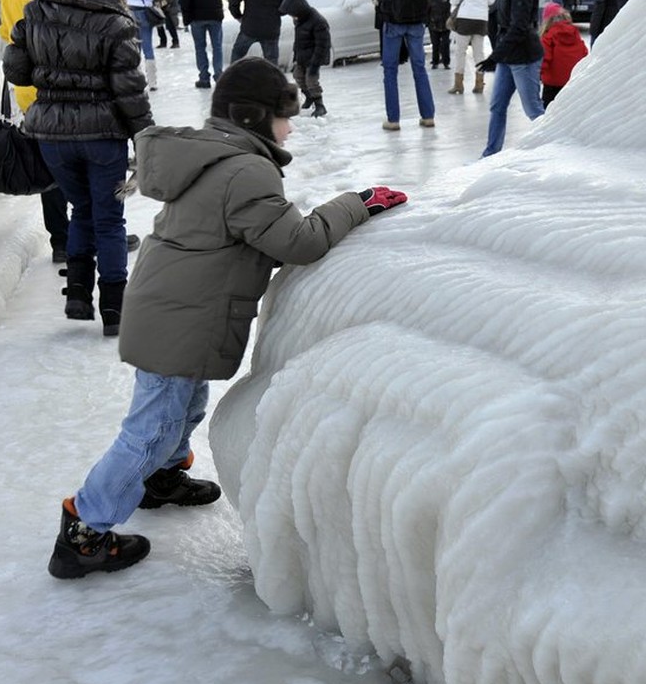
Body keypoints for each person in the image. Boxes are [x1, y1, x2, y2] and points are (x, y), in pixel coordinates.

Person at [46, 59, 407, 579]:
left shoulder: (217, 156)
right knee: (152, 428)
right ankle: (84, 529)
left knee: (183, 406)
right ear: (254, 117)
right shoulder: (247, 170)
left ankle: (163, 478)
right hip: (180, 318)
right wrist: (358, 203)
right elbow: (297, 241)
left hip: (170, 308)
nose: (289, 128)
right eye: (283, 117)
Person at [4, 0, 153, 339]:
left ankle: (78, 295)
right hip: (103, 135)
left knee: (80, 210)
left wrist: (51, 70)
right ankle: (115, 308)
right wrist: (144, 134)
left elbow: (16, 69)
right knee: (109, 218)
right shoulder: (116, 20)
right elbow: (129, 90)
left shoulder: (36, 10)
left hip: (52, 134)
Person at [0, 0, 84, 263]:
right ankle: (90, 234)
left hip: (29, 89)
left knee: (50, 167)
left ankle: (61, 242)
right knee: (85, 163)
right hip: (70, 84)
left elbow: (5, 30)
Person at [476, 0, 544, 158]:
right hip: (507, 56)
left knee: (533, 110)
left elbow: (519, 28)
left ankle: (552, 149)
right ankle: (490, 153)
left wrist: (495, 56)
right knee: (497, 106)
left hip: (524, 57)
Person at [365, 0, 436, 131]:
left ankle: (394, 119)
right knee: (420, 68)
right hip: (417, 23)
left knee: (390, 71)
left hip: (393, 23)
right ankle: (428, 116)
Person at [447, 0, 494, 96]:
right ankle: (479, 83)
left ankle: (458, 84)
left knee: (460, 52)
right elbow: (492, 0)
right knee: (478, 53)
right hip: (481, 19)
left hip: (464, 18)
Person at [280, 0, 330, 117]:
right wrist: (296, 57)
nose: (292, 17)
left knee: (311, 80)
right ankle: (309, 97)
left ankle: (320, 104)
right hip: (302, 57)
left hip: (314, 57)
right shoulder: (300, 20)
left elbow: (322, 45)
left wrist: (314, 64)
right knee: (298, 77)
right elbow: (298, 41)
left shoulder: (318, 21)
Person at [539, 2, 587, 107]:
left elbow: (543, 60)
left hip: (552, 84)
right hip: (573, 82)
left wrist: (539, 75)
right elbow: (584, 54)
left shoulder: (547, 37)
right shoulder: (575, 34)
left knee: (549, 113)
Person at [427, 0, 451, 71]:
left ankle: (446, 62)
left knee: (445, 44)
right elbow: (427, 11)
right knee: (435, 44)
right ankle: (435, 61)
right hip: (433, 25)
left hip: (445, 25)